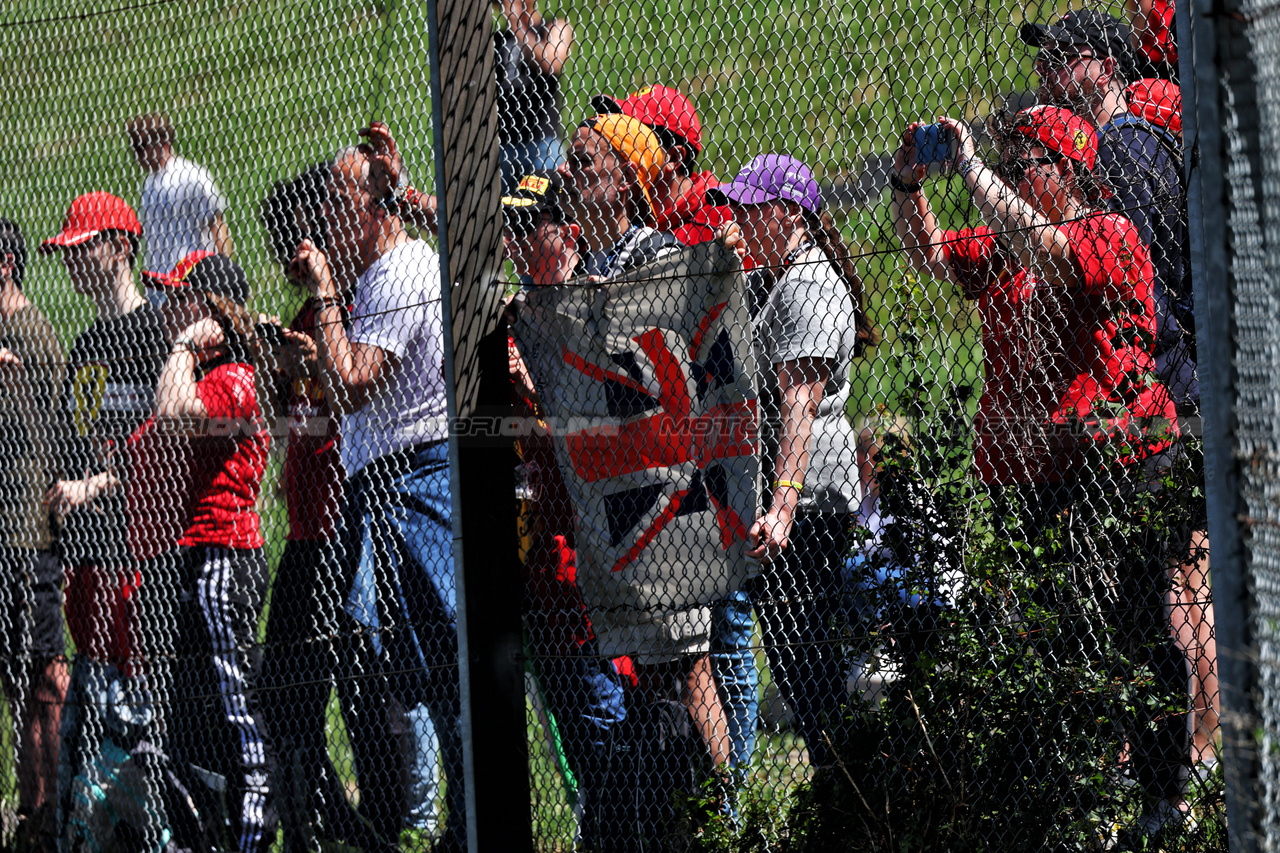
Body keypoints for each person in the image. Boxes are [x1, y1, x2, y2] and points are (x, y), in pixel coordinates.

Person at [890, 105, 1189, 839]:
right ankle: (1077, 788)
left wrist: (974, 170)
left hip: (1123, 461)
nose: (1018, 176)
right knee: (1050, 630)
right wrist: (907, 181)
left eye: (1031, 164)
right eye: (1013, 164)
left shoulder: (1109, 232)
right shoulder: (1003, 245)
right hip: (1036, 469)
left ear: (1071, 172)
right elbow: (925, 249)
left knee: (1130, 621)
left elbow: (1050, 250)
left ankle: (1160, 794)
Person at [288, 131, 460, 850]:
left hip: (414, 481)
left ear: (372, 206)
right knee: (413, 660)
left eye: (336, 202)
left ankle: (464, 818)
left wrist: (324, 294)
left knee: (443, 658)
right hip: (383, 482)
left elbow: (356, 382)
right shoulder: (374, 276)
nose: (324, 219)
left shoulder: (397, 269)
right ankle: (452, 821)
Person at [590, 83, 755, 770]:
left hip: (716, 452)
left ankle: (736, 788)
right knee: (697, 648)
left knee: (725, 636)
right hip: (673, 449)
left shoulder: (704, 218)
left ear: (670, 154)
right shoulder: (648, 234)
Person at [710, 154, 875, 769]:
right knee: (797, 658)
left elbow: (798, 405)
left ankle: (848, 783)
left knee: (808, 661)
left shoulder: (807, 286)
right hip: (790, 499)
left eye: (751, 208)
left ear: (787, 214)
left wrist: (780, 505)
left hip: (805, 502)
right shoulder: (775, 274)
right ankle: (842, 783)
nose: (740, 218)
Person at [257, 166, 397, 853]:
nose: (287, 255)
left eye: (294, 237)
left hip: (348, 522)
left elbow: (355, 394)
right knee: (280, 687)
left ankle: (378, 822)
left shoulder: (351, 307)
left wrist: (313, 361)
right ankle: (323, 821)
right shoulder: (306, 318)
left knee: (356, 680)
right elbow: (294, 415)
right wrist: (278, 367)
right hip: (307, 530)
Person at [39, 193, 174, 851]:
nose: (71, 262)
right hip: (90, 561)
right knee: (88, 716)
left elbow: (166, 451)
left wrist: (99, 480)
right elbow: (79, 438)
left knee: (137, 716)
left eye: (83, 247)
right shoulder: (89, 344)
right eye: (65, 252)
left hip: (140, 558)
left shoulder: (158, 335)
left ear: (121, 246)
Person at [146, 251, 276, 853]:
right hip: (199, 551)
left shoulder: (235, 377)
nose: (175, 309)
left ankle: (254, 831)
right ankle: (206, 834)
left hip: (226, 552)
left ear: (212, 310)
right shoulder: (213, 372)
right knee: (193, 710)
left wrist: (180, 346)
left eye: (186, 299)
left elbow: (174, 414)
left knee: (235, 701)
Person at [1020, 10, 1193, 407]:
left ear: (1107, 68)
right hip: (1152, 371)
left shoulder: (1116, 148)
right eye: (1044, 59)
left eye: (1065, 57)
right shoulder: (1128, 140)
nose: (1047, 69)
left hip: (1151, 378)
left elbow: (1128, 277)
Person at [0, 219, 66, 850]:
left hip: (28, 533)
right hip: (6, 537)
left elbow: (32, 434)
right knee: (14, 679)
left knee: (44, 672)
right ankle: (31, 812)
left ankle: (53, 808)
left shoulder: (29, 336)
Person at [126, 112, 233, 274]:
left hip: (194, 276)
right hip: (159, 281)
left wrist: (226, 272)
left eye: (141, 147)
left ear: (162, 143)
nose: (137, 156)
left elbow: (217, 224)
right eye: (135, 148)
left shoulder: (191, 175)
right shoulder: (148, 184)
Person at [494, 0, 574, 192]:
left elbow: (551, 63)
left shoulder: (554, 26)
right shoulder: (497, 39)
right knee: (505, 212)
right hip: (505, 143)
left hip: (542, 142)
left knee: (549, 206)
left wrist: (517, 26)